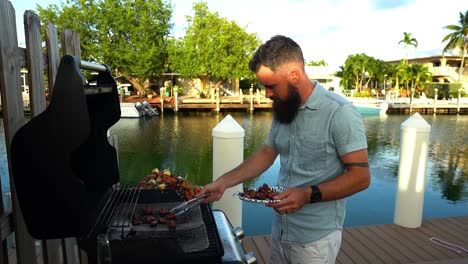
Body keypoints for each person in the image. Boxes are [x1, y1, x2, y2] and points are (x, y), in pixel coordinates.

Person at [200, 35, 370, 264]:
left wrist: (308, 194)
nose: (267, 94)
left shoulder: (339, 112)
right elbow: (266, 155)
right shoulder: (284, 108)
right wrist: (223, 182)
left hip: (315, 239)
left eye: (271, 86)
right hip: (280, 230)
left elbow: (361, 178)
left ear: (295, 75)